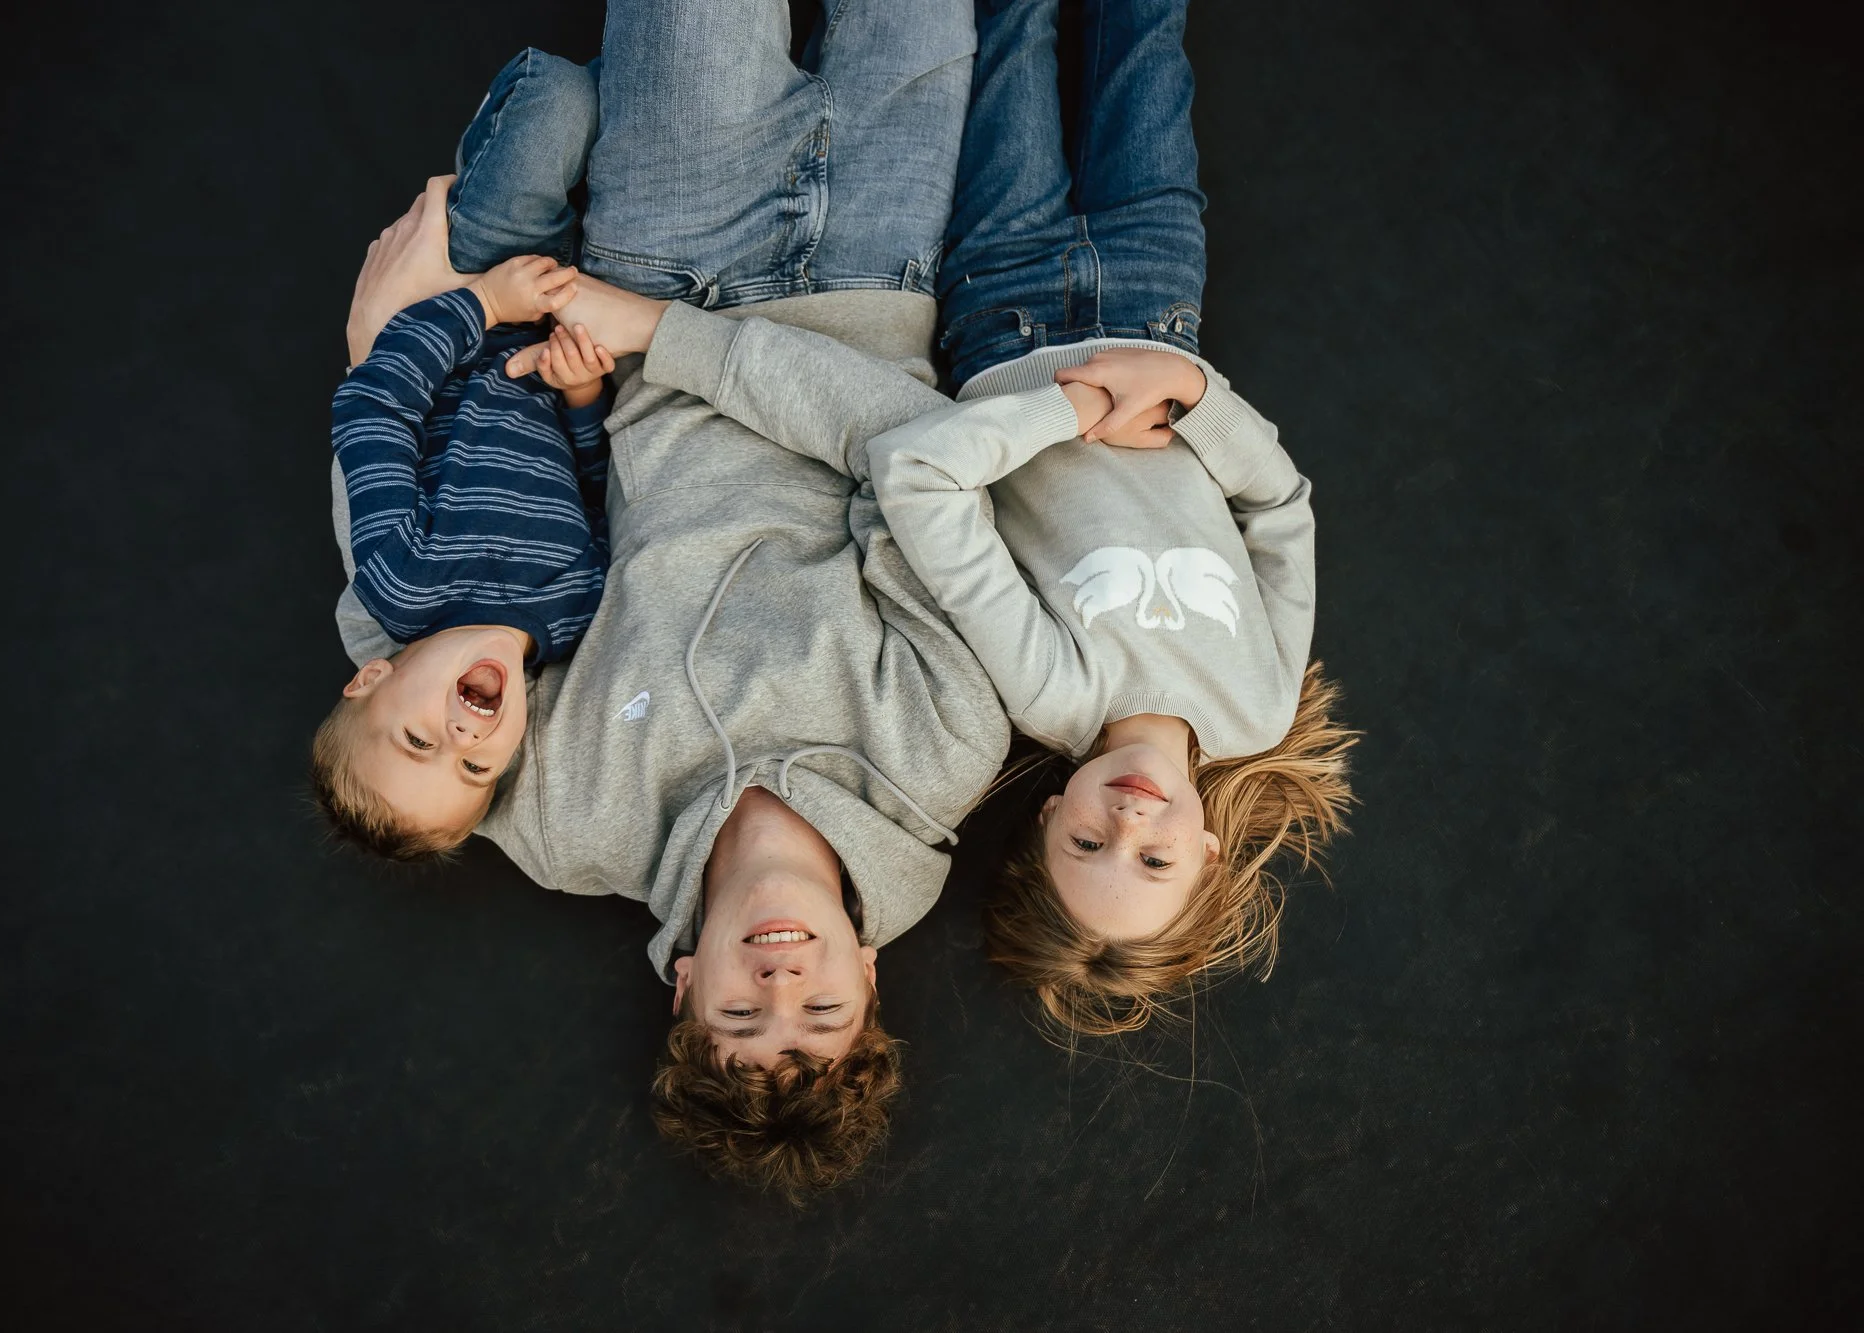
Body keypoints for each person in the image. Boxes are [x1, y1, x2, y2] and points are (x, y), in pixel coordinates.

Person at [333, 0, 1006, 1199]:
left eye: (742, 1015)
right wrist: (668, 340)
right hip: (879, 262)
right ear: (868, 973)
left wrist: (373, 349)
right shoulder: (940, 753)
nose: (780, 983)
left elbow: (403, 653)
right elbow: (919, 455)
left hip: (664, 245)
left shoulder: (562, 824)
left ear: (685, 989)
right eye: (819, 1015)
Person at [863, 0, 1360, 1036]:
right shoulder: (1255, 704)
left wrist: (1073, 406)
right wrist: (1184, 391)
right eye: (1152, 856)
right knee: (1144, 46)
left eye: (1085, 845)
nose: (1125, 819)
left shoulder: (1049, 688)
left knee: (1012, 45)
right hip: (1156, 297)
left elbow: (922, 483)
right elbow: (1278, 507)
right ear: (1207, 850)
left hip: (1002, 310)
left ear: (1047, 817)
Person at [314, 203, 619, 860]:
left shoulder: (401, 578)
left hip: (467, 291)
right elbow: (597, 494)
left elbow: (375, 408)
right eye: (476, 769)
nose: (462, 737)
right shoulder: (573, 618)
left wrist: (481, 301)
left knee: (551, 124)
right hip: (578, 320)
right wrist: (585, 396)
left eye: (419, 741)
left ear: (369, 678)